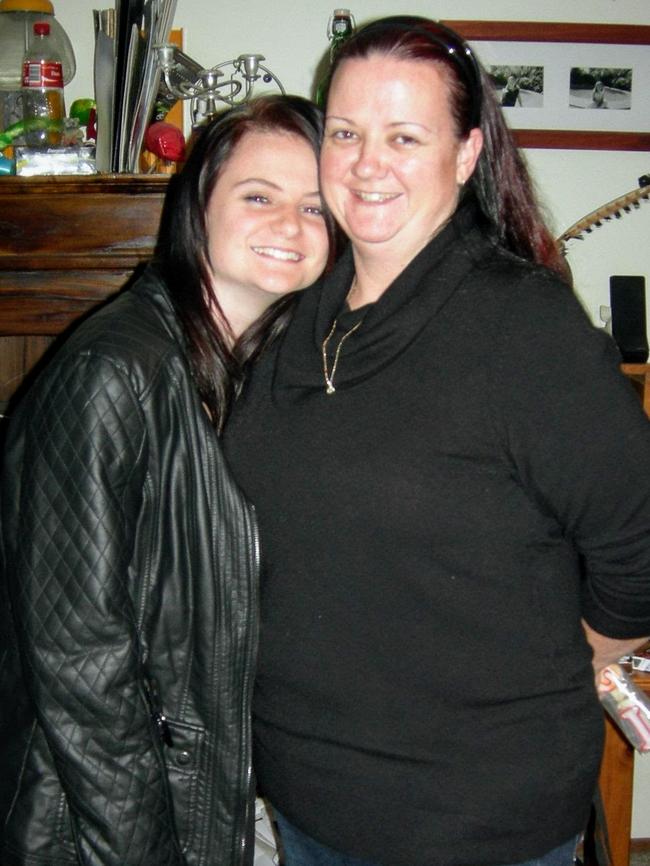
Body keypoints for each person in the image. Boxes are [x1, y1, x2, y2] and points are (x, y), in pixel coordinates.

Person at [223, 16, 650, 866]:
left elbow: (640, 549)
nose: (365, 163)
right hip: (308, 801)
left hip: (473, 821)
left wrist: (565, 665)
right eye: (344, 132)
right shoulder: (297, 311)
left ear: (465, 154)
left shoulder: (523, 328)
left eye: (403, 136)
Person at [0, 94, 332, 866]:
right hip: (95, 830)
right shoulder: (114, 373)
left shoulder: (249, 370)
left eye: (314, 208)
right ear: (197, 207)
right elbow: (83, 672)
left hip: (209, 800)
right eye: (259, 195)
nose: (289, 225)